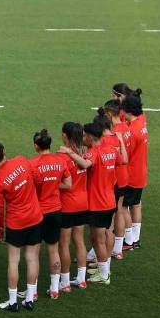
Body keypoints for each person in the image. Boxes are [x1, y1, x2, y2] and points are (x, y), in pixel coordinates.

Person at [59, 122, 122, 285]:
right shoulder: (110, 150)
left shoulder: (93, 153)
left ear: (91, 138)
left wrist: (68, 152)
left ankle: (104, 274)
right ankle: (103, 269)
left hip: (98, 203)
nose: (82, 138)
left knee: (97, 240)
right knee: (105, 235)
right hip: (109, 200)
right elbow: (123, 160)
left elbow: (86, 164)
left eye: (85, 136)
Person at [0, 138, 43, 312]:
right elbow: (37, 179)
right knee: (32, 258)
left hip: (16, 223)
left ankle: (13, 302)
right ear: (4, 151)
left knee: (14, 261)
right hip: (34, 217)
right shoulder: (21, 160)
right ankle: (29, 299)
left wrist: (0, 231)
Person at [29, 129, 72, 300]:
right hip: (55, 210)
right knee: (53, 249)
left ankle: (33, 291)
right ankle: (55, 289)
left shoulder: (33, 164)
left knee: (34, 253)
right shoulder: (60, 161)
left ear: (36, 146)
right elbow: (68, 184)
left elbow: (29, 187)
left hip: (38, 212)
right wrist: (53, 185)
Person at [58, 122, 89, 291]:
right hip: (83, 202)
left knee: (64, 244)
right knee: (79, 241)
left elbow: (63, 182)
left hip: (68, 204)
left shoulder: (63, 157)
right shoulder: (84, 153)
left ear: (65, 136)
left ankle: (65, 281)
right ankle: (81, 279)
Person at [96, 104, 130, 260]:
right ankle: (117, 248)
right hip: (122, 177)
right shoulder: (121, 132)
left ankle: (104, 255)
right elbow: (125, 158)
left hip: (111, 181)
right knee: (120, 211)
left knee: (108, 221)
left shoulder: (106, 141)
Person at [122, 95, 148, 250]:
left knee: (123, 207)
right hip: (141, 173)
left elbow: (126, 156)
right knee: (136, 204)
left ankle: (129, 240)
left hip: (131, 176)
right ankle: (135, 238)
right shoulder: (142, 121)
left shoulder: (132, 131)